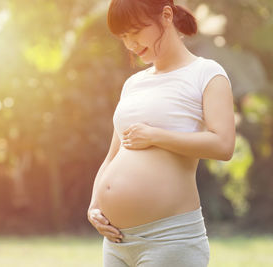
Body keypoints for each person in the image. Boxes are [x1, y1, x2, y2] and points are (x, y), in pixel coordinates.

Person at [87, 1, 236, 266]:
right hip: (116, 242)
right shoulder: (133, 84)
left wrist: (156, 136)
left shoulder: (206, 74)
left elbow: (223, 145)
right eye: (123, 36)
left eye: (135, 31)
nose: (130, 43)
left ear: (166, 15)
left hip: (170, 240)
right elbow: (112, 156)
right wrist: (95, 204)